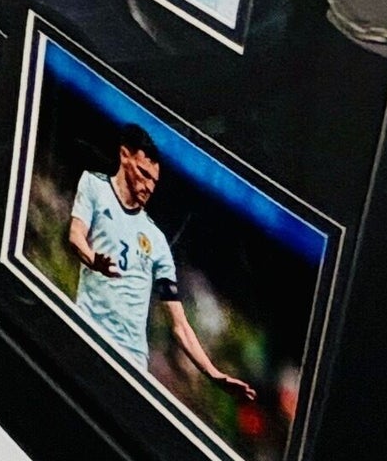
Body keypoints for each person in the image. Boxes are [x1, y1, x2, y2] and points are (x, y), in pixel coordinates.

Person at [66, 127, 255, 407]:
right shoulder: (95, 186)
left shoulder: (156, 240)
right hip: (87, 333)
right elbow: (75, 236)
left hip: (130, 361)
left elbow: (179, 324)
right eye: (144, 174)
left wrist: (213, 374)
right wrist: (93, 259)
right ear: (125, 156)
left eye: (154, 181)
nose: (149, 186)